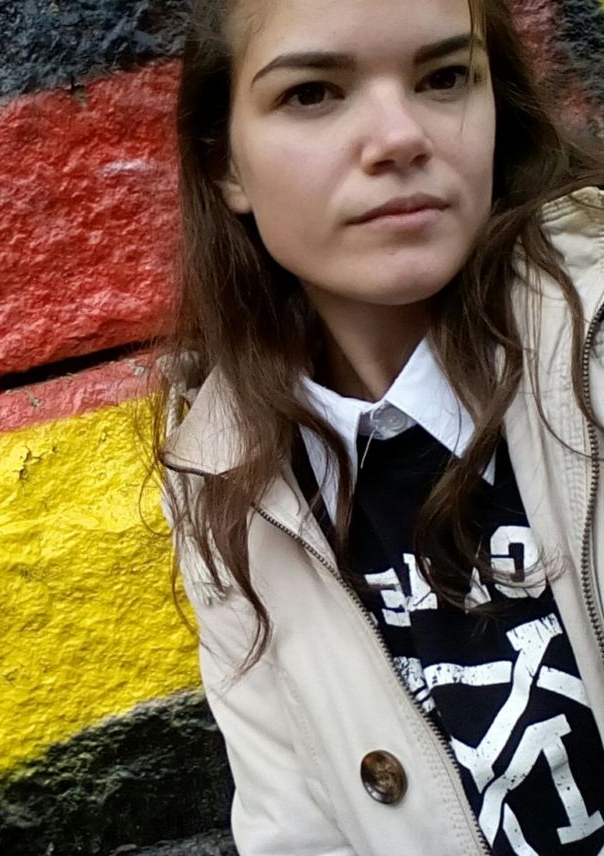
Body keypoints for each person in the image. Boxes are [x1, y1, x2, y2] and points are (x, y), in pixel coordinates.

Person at [156, 0, 604, 852]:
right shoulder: (221, 475)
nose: (400, 137)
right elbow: (293, 833)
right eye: (313, 93)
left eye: (445, 77)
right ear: (226, 164)